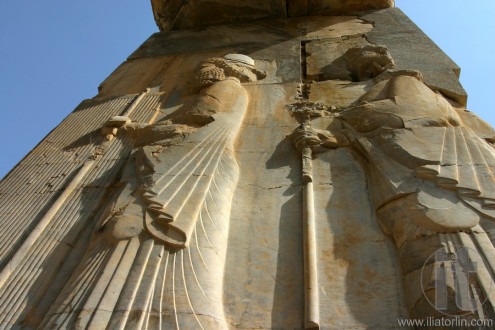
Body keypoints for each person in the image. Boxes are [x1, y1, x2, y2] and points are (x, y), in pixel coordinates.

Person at [41, 54, 264, 329]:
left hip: (186, 168)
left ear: (223, 69)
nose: (198, 73)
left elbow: (190, 124)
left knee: (132, 231)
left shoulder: (225, 88)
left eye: (205, 67)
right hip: (185, 165)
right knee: (126, 233)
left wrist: (131, 128)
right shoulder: (225, 89)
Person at [328, 45, 495, 319]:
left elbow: (420, 114)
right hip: (408, 174)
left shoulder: (403, 79)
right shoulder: (382, 85)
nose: (351, 66)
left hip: (437, 175)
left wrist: (349, 118)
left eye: (356, 57)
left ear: (380, 56)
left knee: (448, 253)